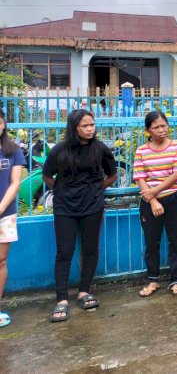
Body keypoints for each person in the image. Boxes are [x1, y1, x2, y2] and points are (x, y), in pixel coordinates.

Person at [42, 109, 118, 322]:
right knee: (64, 252)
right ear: (74, 128)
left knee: (90, 249)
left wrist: (95, 190)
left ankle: (84, 291)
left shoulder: (100, 149)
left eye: (92, 125)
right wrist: (62, 190)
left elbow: (112, 175)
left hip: (92, 207)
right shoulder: (60, 151)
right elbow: (47, 175)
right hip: (65, 208)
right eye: (85, 126)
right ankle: (62, 300)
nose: (90, 129)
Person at [133, 111, 177, 297]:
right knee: (151, 242)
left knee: (176, 239)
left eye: (163, 125)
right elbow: (140, 177)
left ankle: (176, 280)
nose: (161, 130)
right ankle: (153, 280)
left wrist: (154, 192)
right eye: (156, 127)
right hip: (150, 202)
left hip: (174, 198)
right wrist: (153, 200)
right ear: (148, 130)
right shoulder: (141, 151)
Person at [0, 109, 25, 328]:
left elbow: (15, 182)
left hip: (5, 215)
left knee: (0, 261)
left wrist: (0, 208)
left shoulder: (12, 151)